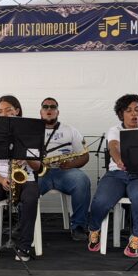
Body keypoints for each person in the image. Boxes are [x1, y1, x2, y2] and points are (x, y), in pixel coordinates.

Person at [87, 94, 138, 257]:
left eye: (137, 110)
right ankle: (94, 228)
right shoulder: (115, 130)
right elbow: (113, 146)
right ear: (121, 114)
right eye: (129, 110)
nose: (134, 114)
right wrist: (118, 160)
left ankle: (137, 236)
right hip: (117, 174)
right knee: (101, 200)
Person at [0, 95, 41, 262]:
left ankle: (24, 245)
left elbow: (37, 166)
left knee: (30, 197)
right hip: (3, 179)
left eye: (8, 110)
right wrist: (1, 181)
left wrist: (26, 156)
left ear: (17, 111)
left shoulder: (30, 132)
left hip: (26, 179)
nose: (4, 114)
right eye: (0, 111)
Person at [36, 97, 91, 241]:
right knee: (26, 186)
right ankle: (24, 224)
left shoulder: (70, 130)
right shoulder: (31, 130)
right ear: (40, 111)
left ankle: (78, 226)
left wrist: (71, 165)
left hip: (64, 171)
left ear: (57, 112)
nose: (49, 110)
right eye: (45, 107)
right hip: (40, 171)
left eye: (52, 107)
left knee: (82, 180)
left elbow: (85, 156)